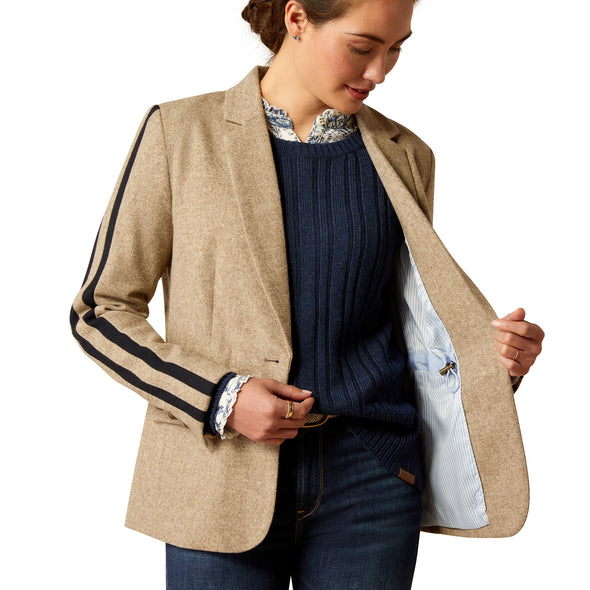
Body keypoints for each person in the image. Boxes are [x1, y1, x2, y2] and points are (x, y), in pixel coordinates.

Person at [70, 0, 544, 588]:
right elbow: (100, 311)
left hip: (371, 475)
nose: (380, 72)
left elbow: (407, 323)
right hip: (219, 470)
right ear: (297, 19)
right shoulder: (179, 133)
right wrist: (220, 397)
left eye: (396, 49)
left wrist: (486, 361)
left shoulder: (406, 155)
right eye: (362, 47)